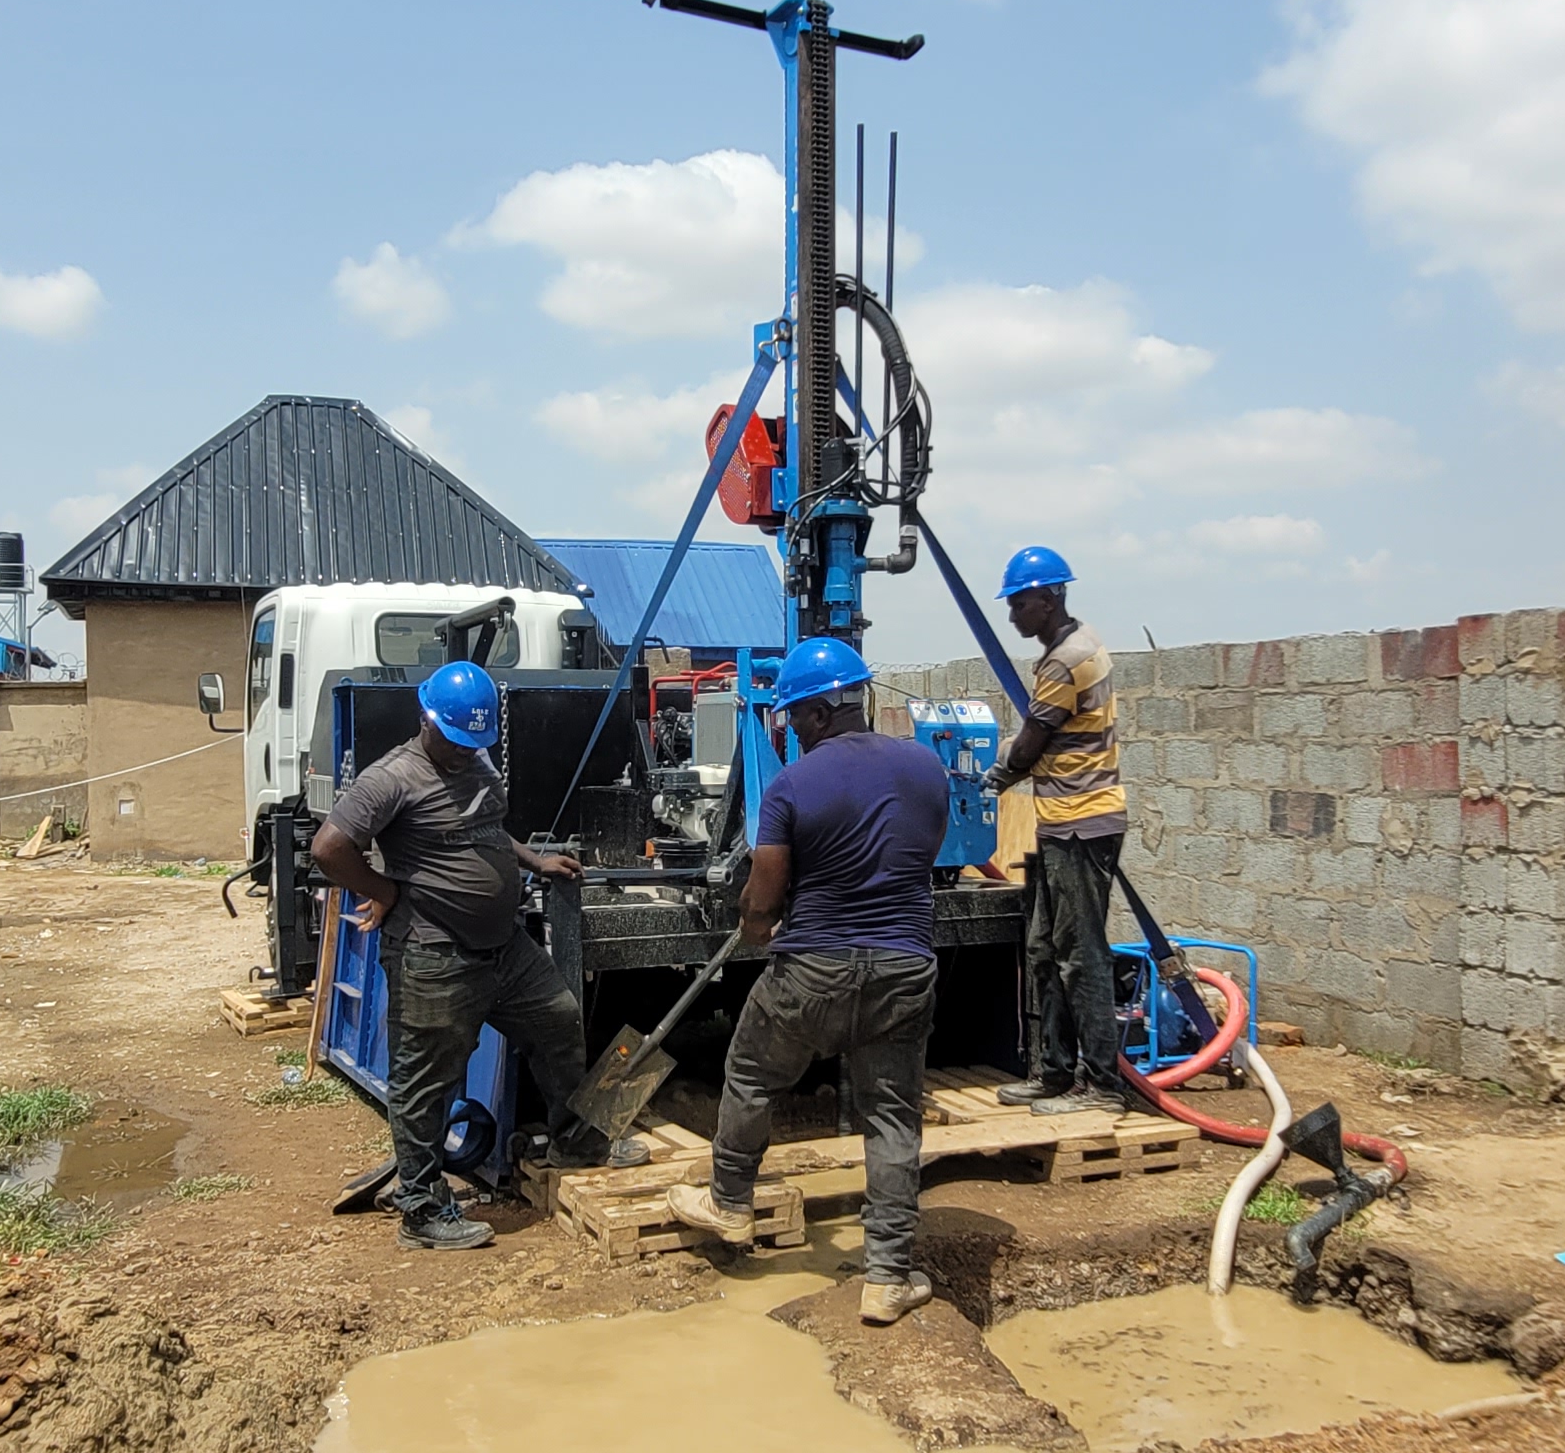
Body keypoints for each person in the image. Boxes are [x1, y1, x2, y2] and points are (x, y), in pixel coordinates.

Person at [663, 638, 953, 1324]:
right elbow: (920, 856)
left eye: (793, 717)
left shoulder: (792, 787)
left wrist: (758, 926)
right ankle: (886, 1275)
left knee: (753, 1074)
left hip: (814, 970)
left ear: (822, 712)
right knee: (890, 1117)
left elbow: (762, 904)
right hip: (905, 967)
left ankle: (730, 1204)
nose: (789, 729)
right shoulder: (926, 768)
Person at [309, 659, 639, 1253]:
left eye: (473, 742)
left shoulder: (477, 760)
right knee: (424, 1081)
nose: (465, 752)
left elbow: (485, 829)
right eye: (456, 740)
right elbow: (330, 848)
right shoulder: (391, 778)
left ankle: (577, 1139)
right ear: (427, 719)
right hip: (434, 954)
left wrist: (533, 861)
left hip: (504, 949)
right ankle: (421, 1208)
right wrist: (384, 891)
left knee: (559, 1020)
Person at [983, 545, 1134, 1116]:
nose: (1014, 615)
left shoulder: (1065, 660)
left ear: (1049, 600)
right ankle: (1053, 1072)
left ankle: (1101, 1086)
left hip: (1081, 824)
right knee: (1044, 947)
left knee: (1081, 954)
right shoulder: (1080, 644)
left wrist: (990, 779)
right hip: (1061, 821)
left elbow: (1030, 746)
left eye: (1020, 604)